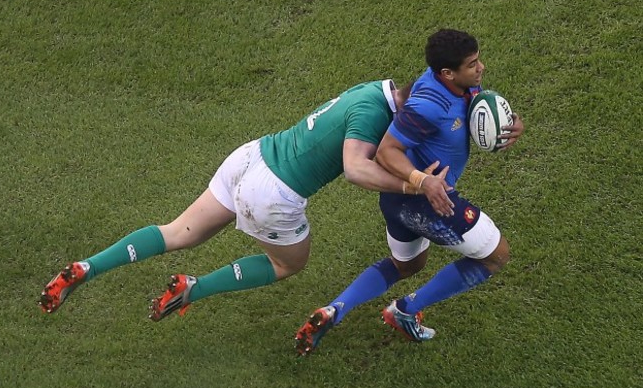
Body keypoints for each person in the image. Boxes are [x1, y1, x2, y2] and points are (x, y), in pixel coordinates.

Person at [39, 78, 432, 321]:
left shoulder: (374, 89)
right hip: (274, 193)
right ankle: (194, 287)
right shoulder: (373, 115)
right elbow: (355, 169)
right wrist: (413, 184)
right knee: (287, 263)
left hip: (251, 157)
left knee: (177, 231)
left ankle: (88, 265)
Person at [295, 29, 525, 355]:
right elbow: (387, 151)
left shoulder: (455, 83)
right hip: (427, 200)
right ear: (447, 72)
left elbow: (475, 105)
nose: (481, 67)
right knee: (496, 256)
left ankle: (334, 309)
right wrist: (424, 182)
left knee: (408, 265)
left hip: (395, 202)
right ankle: (403, 310)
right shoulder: (428, 105)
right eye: (473, 64)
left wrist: (511, 126)